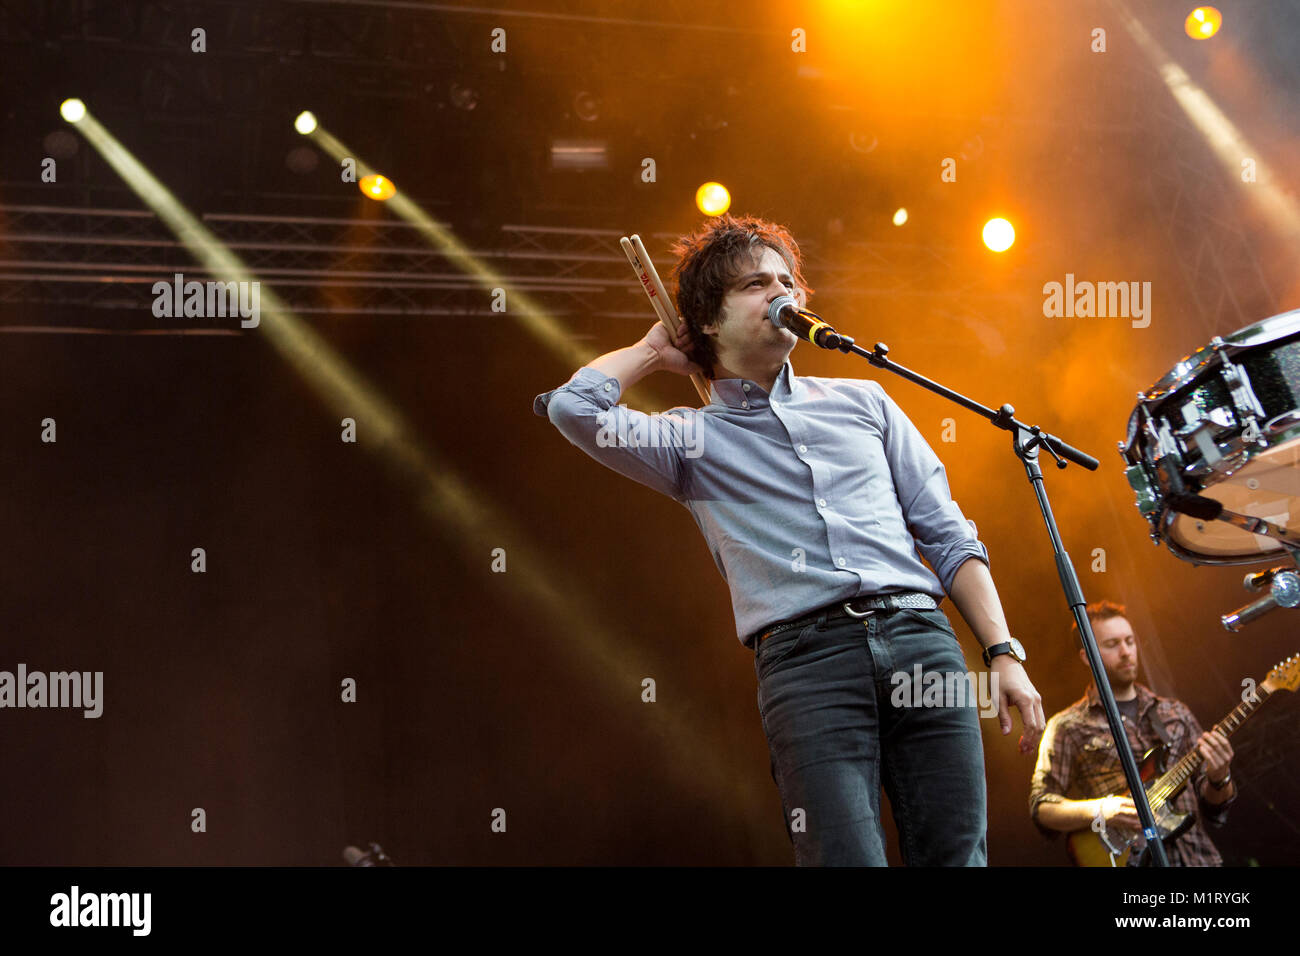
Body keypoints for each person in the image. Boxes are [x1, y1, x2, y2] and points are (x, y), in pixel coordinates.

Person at [534, 214, 1044, 865]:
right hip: (808, 661)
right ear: (709, 322)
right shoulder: (691, 438)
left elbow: (948, 536)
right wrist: (655, 350)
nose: (781, 295)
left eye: (787, 282)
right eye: (754, 284)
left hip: (922, 638)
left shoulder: (865, 401)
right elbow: (574, 409)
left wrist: (1003, 652)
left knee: (958, 856)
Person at [1029, 600, 1236, 866]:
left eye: (1129, 641)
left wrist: (1220, 777)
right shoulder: (1066, 725)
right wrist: (1102, 809)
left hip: (1197, 860)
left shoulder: (1175, 713)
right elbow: (1041, 806)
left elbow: (1216, 810)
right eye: (1112, 644)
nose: (1126, 652)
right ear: (1086, 656)